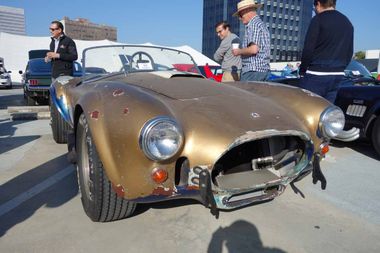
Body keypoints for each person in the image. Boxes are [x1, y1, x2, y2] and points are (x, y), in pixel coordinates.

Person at [298, 0, 353, 103]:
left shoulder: (318, 19)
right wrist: (341, 67)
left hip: (316, 73)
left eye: (314, 8)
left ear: (318, 4)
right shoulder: (347, 22)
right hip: (337, 74)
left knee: (305, 109)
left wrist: (302, 71)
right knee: (326, 111)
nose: (314, 10)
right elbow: (349, 52)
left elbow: (308, 49)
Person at [232, 0, 270, 82]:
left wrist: (238, 51)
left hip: (252, 71)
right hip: (262, 71)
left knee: (245, 95)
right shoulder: (260, 24)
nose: (239, 18)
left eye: (240, 15)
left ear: (246, 11)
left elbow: (253, 49)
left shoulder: (253, 25)